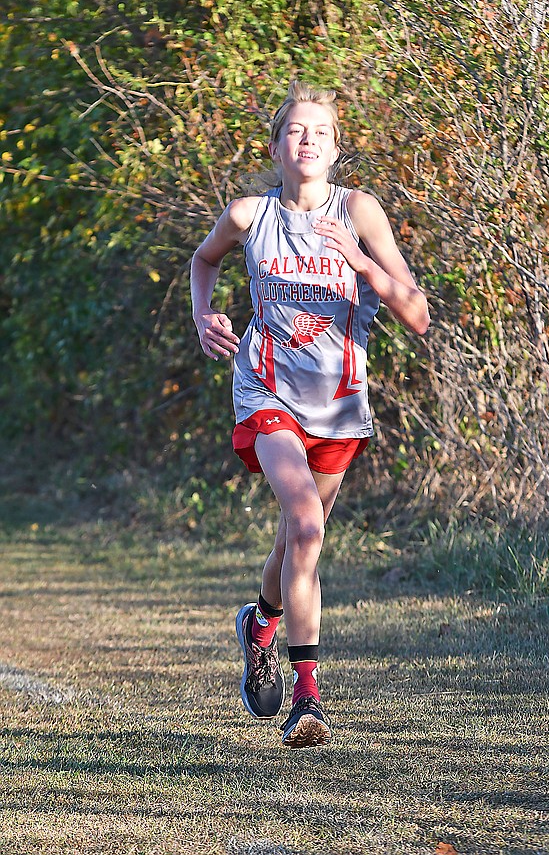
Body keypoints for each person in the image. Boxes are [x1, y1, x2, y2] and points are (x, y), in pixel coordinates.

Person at [191, 80, 429, 749]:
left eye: (320, 131)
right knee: (302, 523)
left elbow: (418, 314)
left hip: (339, 407)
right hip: (265, 391)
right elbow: (203, 260)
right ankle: (307, 697)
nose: (308, 141)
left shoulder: (362, 212)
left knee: (301, 540)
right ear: (275, 145)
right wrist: (203, 313)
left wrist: (362, 265)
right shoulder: (249, 216)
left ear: (335, 146)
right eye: (295, 130)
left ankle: (259, 626)